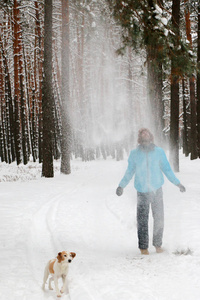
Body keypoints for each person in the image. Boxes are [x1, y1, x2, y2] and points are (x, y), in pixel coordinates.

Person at [116, 128, 186, 255]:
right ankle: (143, 248)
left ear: (151, 136)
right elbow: (129, 172)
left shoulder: (159, 152)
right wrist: (121, 186)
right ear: (140, 138)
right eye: (142, 133)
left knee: (159, 218)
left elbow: (167, 170)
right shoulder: (134, 154)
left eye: (147, 133)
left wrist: (178, 183)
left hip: (156, 190)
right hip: (142, 192)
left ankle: (158, 245)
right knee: (142, 220)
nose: (145, 134)